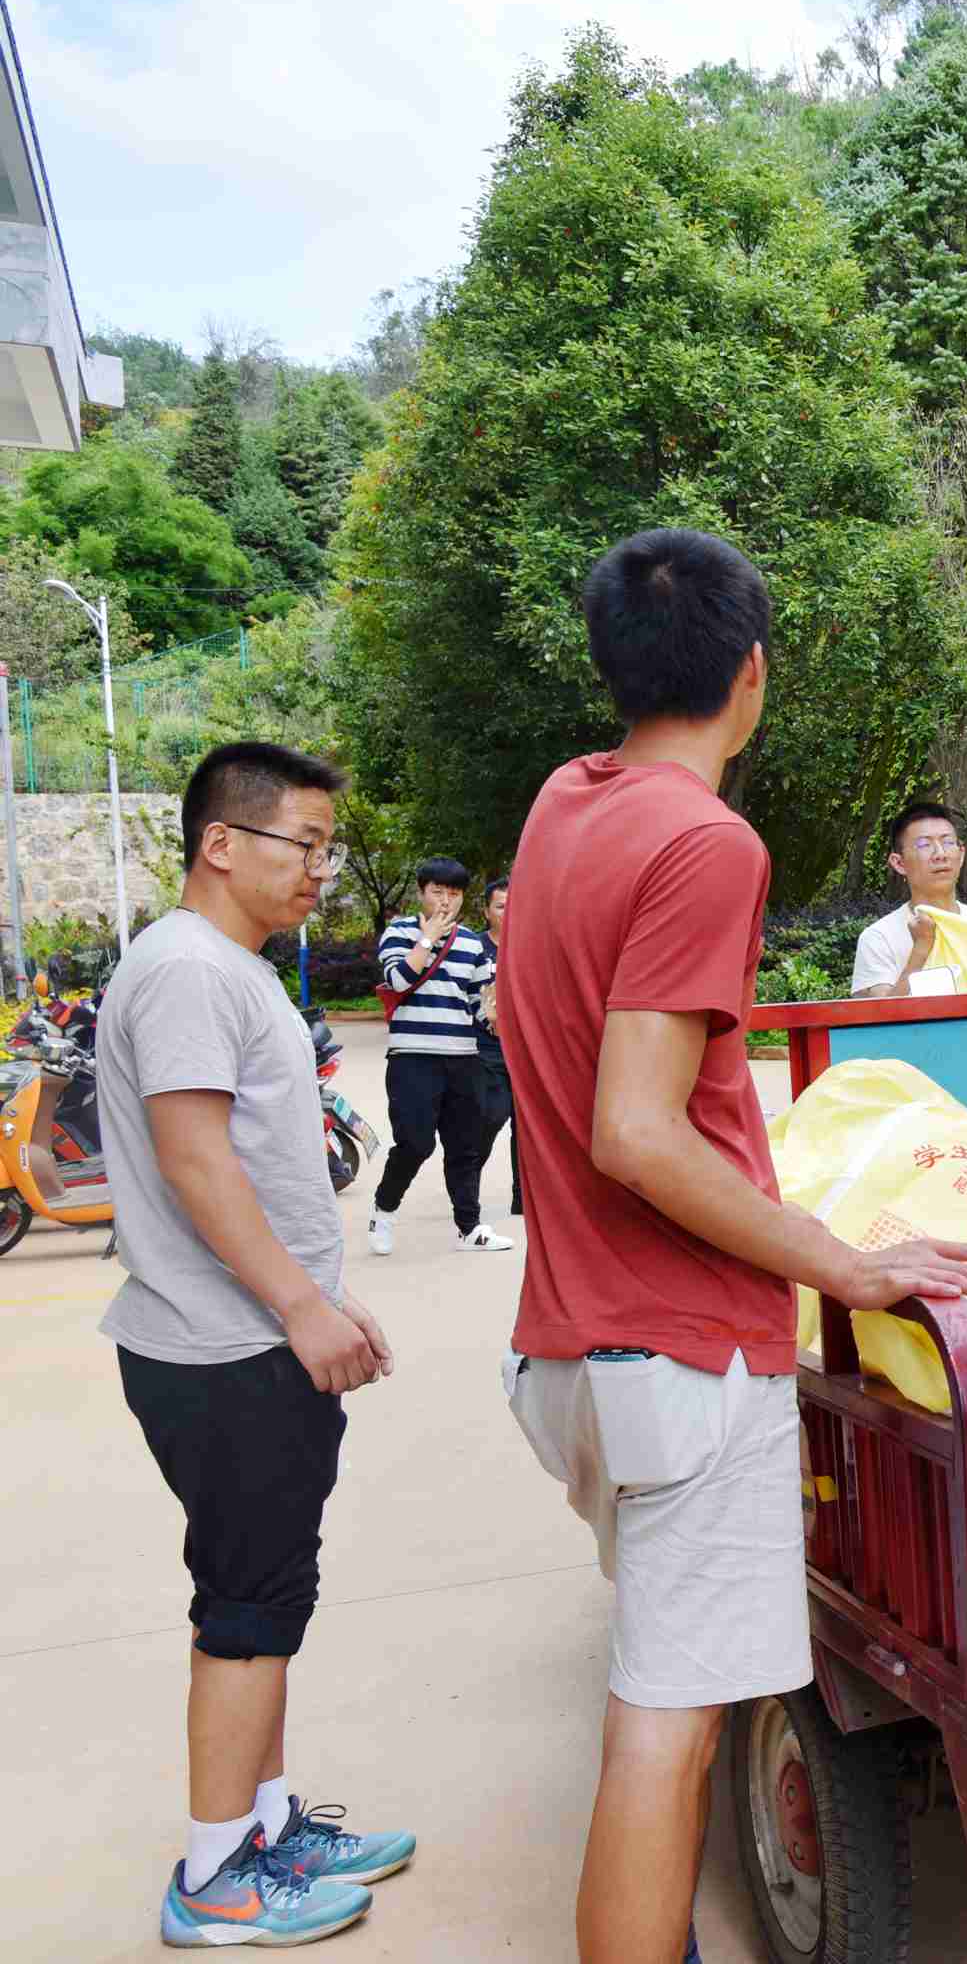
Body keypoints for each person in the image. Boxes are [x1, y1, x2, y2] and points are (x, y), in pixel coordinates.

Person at [501, 528, 967, 1964]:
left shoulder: (563, 801)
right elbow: (636, 1129)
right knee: (664, 1727)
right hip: (680, 1357)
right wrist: (845, 1262)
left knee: (660, 1698)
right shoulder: (706, 843)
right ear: (753, 674)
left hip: (571, 1346)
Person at [102, 741, 414, 1950]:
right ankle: (215, 1878)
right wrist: (298, 1307)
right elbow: (195, 1161)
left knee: (266, 1595)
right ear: (221, 842)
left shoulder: (223, 966)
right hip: (225, 1349)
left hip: (251, 1336)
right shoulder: (188, 969)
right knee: (249, 1604)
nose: (319, 871)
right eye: (306, 844)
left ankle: (264, 1825)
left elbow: (258, 1162)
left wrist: (320, 1299)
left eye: (329, 850)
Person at [368, 855, 510, 1255]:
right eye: (438, 892)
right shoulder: (399, 932)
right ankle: (383, 1210)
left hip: (463, 1058)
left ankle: (470, 1228)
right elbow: (399, 980)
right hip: (413, 1057)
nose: (446, 901)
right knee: (414, 1143)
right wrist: (428, 937)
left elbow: (480, 1005)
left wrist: (494, 1015)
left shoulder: (471, 943)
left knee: (465, 1147)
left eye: (454, 893)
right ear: (421, 893)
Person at [850, 801, 967, 997]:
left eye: (948, 842)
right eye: (924, 845)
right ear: (899, 863)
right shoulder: (879, 938)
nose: (940, 854)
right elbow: (882, 1014)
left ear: (961, 855)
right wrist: (921, 948)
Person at [472, 871, 520, 1220]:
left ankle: (523, 1198)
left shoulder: (530, 946)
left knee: (527, 1128)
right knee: (492, 1117)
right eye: (501, 906)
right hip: (486, 1048)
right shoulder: (475, 947)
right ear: (487, 911)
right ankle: (465, 1184)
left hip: (525, 1049)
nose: (509, 912)